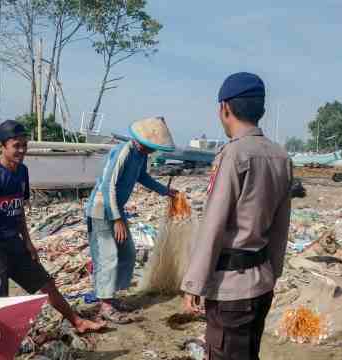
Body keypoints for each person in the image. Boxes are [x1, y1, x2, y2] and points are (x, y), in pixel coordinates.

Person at [181, 72, 292, 359]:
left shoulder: (234, 154)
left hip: (231, 289)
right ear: (261, 110)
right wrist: (274, 272)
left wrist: (194, 282)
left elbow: (214, 224)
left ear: (225, 107)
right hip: (261, 282)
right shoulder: (280, 156)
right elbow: (281, 226)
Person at [0, 120, 105, 334]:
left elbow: (19, 211)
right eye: (16, 145)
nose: (22, 150)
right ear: (3, 146)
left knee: (46, 284)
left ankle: (78, 322)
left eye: (24, 145)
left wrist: (28, 241)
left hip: (15, 243)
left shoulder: (22, 171)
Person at [85, 116, 179, 324]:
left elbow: (142, 177)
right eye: (151, 147)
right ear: (143, 140)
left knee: (127, 251)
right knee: (107, 255)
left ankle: (112, 296)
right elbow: (109, 185)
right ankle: (105, 304)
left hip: (116, 210)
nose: (152, 151)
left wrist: (165, 191)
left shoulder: (140, 155)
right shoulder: (124, 151)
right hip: (101, 209)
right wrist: (117, 219)